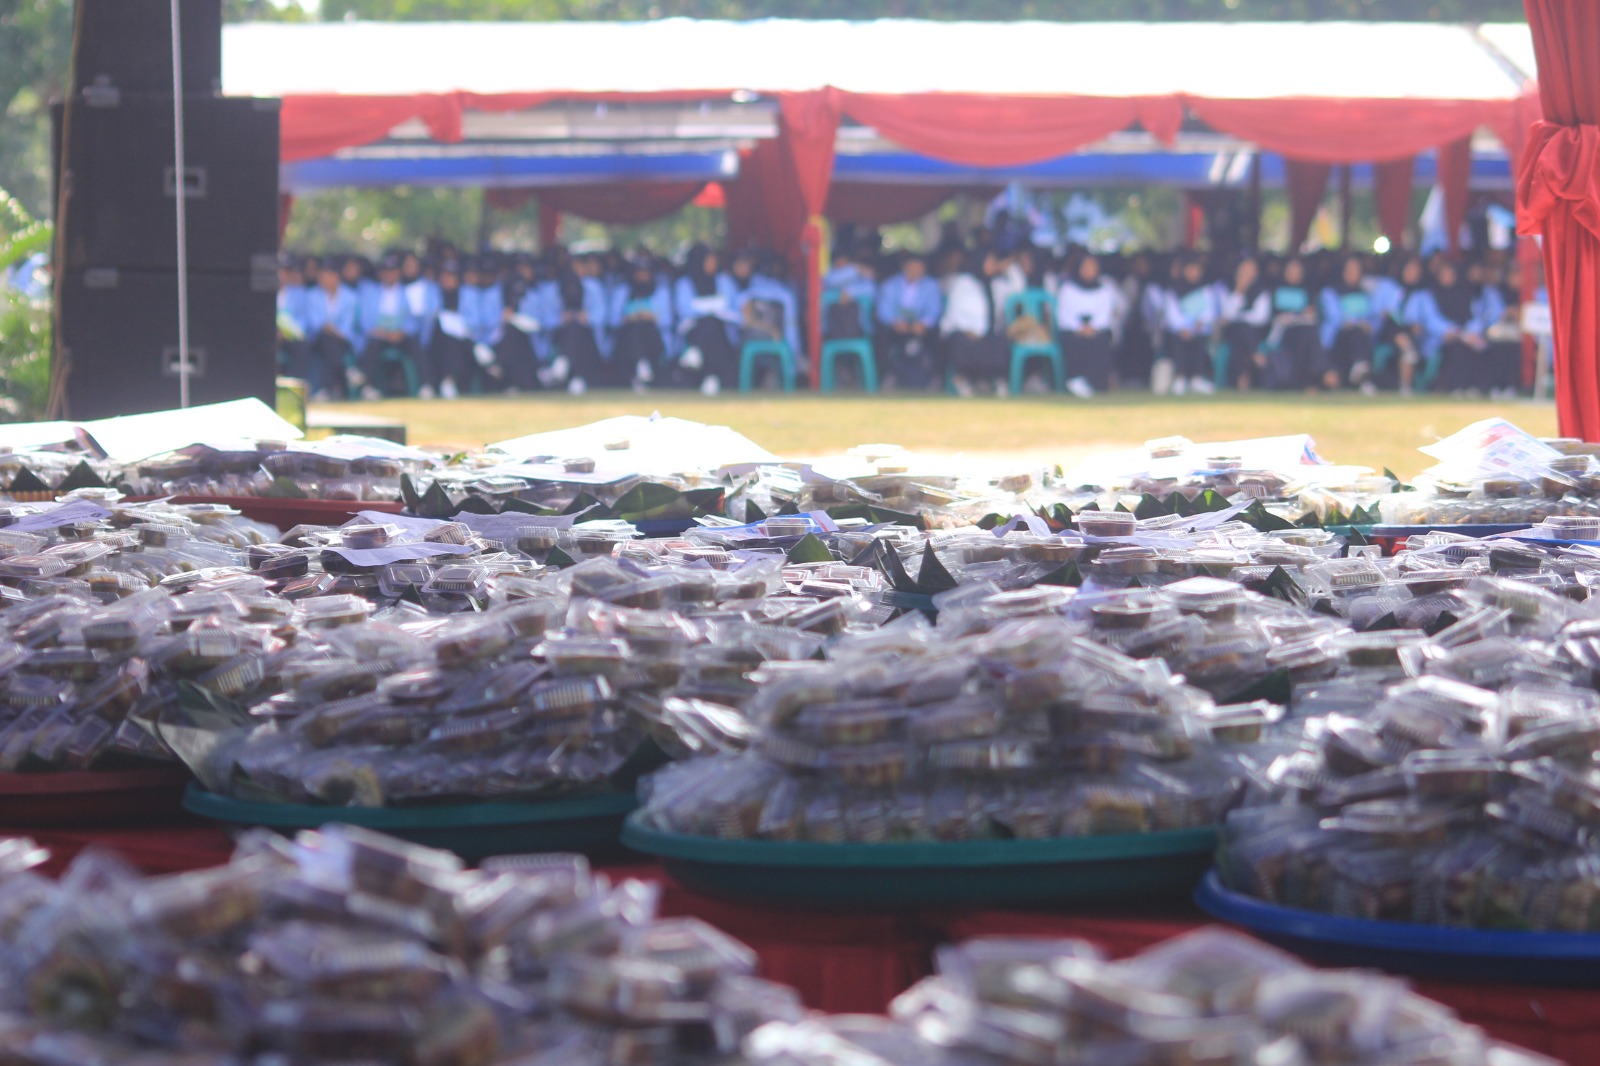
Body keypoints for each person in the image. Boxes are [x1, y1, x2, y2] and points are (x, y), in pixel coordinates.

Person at [940, 249, 1010, 396]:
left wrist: (1007, 269)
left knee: (1001, 342)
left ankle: (993, 379)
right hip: (964, 331)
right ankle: (962, 379)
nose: (993, 265)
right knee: (961, 342)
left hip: (988, 333)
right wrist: (968, 329)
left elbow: (1017, 290)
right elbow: (955, 311)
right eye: (990, 262)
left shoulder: (998, 284)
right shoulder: (963, 282)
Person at [1415, 259, 1490, 395]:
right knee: (1456, 349)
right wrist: (1454, 331)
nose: (1448, 277)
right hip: (1441, 338)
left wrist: (1470, 333)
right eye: (1444, 274)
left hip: (1467, 336)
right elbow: (1431, 319)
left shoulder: (1466, 294)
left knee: (1479, 348)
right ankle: (1456, 386)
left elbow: (1475, 317)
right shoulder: (1430, 295)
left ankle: (1475, 387)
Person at [354, 252, 423, 399]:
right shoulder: (370, 292)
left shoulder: (408, 292)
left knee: (416, 347)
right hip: (379, 335)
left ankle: (425, 386)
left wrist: (402, 332)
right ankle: (368, 387)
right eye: (386, 272)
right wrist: (380, 332)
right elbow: (364, 318)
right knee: (371, 347)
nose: (390, 275)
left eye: (393, 271)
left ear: (398, 273)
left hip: (401, 335)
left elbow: (414, 319)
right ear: (381, 274)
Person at [673, 245, 740, 395]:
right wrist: (712, 308)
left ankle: (696, 352)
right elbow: (684, 310)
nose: (713, 264)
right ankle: (712, 376)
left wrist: (708, 309)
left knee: (712, 324)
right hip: (693, 329)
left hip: (723, 330)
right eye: (709, 260)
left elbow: (734, 308)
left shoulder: (724, 281)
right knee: (709, 323)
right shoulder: (685, 283)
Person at [1054, 252, 1119, 397]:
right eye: (1086, 266)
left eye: (1093, 267)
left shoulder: (1104, 290)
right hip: (1073, 330)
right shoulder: (1067, 289)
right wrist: (1078, 328)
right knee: (1073, 341)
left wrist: (1093, 327)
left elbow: (1105, 313)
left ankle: (1097, 383)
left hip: (1096, 330)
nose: (1090, 270)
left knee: (1101, 340)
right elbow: (1064, 314)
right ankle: (1075, 380)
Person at [874, 253, 942, 390]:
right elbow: (883, 310)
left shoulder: (931, 286)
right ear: (904, 267)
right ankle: (888, 375)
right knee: (880, 336)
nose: (915, 270)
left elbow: (934, 310)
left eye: (919, 267)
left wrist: (924, 323)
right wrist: (895, 322)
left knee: (938, 337)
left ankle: (934, 377)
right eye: (912, 267)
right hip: (896, 327)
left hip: (921, 327)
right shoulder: (890, 285)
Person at [609, 257, 674, 392]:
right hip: (626, 339)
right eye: (639, 272)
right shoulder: (623, 292)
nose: (642, 276)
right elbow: (612, 320)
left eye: (646, 273)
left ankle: (641, 364)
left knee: (643, 326)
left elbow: (668, 321)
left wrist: (651, 317)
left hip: (654, 338)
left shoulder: (660, 292)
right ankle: (641, 364)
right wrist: (629, 318)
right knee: (635, 327)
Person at [1262, 257, 1327, 391]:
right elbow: (1270, 316)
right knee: (1304, 335)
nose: (1294, 273)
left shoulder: (1307, 292)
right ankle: (1313, 378)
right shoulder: (1275, 290)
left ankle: (1314, 376)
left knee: (1308, 333)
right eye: (1291, 270)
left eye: (1297, 270)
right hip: (1280, 332)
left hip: (1302, 330)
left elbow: (1312, 315)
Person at [1159, 255, 1218, 396]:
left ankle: (1197, 378)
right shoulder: (1174, 290)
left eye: (1197, 270)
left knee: (1200, 342)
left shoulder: (1206, 290)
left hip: (1200, 330)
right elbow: (1172, 314)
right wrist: (1184, 328)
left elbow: (1210, 312)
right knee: (1178, 341)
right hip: (1180, 331)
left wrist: (1197, 326)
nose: (1194, 273)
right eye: (1191, 269)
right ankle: (1180, 378)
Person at [1319, 254, 1378, 393]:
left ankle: (1361, 372)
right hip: (1338, 338)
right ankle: (1361, 375)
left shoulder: (1365, 294)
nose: (1353, 274)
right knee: (1356, 332)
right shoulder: (1330, 292)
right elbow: (1335, 317)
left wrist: (1367, 325)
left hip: (1362, 337)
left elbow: (1371, 317)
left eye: (1357, 270)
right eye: (1350, 270)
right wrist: (1355, 322)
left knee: (1359, 334)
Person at [301, 261, 359, 400]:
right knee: (328, 341)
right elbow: (314, 322)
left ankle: (325, 389)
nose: (323, 280)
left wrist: (334, 330)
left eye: (326, 277)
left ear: (336, 277)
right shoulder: (312, 296)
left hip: (342, 339)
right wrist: (328, 328)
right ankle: (347, 372)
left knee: (332, 343)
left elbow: (349, 323)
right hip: (318, 338)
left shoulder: (350, 297)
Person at [423, 259, 475, 399]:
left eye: (451, 276)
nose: (447, 280)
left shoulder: (468, 294)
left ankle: (448, 380)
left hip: (464, 343)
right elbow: (426, 318)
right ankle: (442, 381)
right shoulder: (433, 293)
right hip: (436, 343)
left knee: (451, 340)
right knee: (441, 333)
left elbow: (475, 322)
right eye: (444, 276)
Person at [1216, 256, 1270, 391]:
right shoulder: (1225, 288)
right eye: (1244, 270)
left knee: (1243, 329)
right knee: (1239, 331)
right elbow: (1225, 315)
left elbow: (1261, 317)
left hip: (1254, 332)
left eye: (1250, 270)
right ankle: (1254, 355)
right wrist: (1239, 291)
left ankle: (1241, 376)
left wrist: (1238, 317)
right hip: (1231, 333)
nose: (1247, 274)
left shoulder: (1261, 291)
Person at [275, 254, 309, 385]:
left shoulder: (299, 294)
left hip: (290, 336)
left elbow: (303, 320)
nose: (283, 276)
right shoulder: (264, 292)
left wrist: (289, 332)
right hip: (270, 336)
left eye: (286, 273)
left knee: (302, 347)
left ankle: (294, 384)